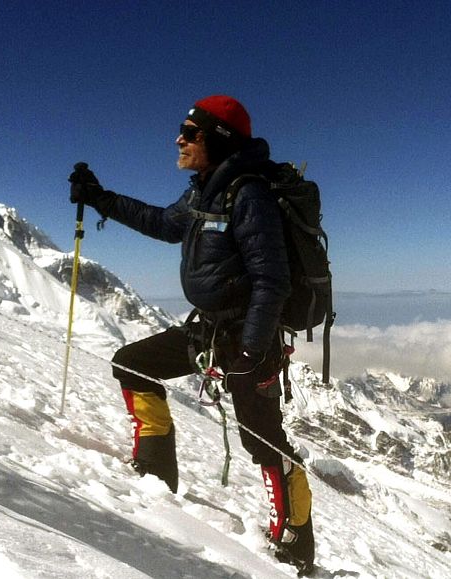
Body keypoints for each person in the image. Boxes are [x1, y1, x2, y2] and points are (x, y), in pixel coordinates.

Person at [68, 95, 314, 574]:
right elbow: (163, 224)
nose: (179, 140)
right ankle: (155, 475)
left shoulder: (248, 195)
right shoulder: (205, 192)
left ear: (219, 139)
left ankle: (294, 547)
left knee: (263, 440)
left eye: (191, 133)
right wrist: (100, 197)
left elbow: (272, 281)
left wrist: (251, 350)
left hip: (248, 339)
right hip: (210, 331)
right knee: (133, 363)